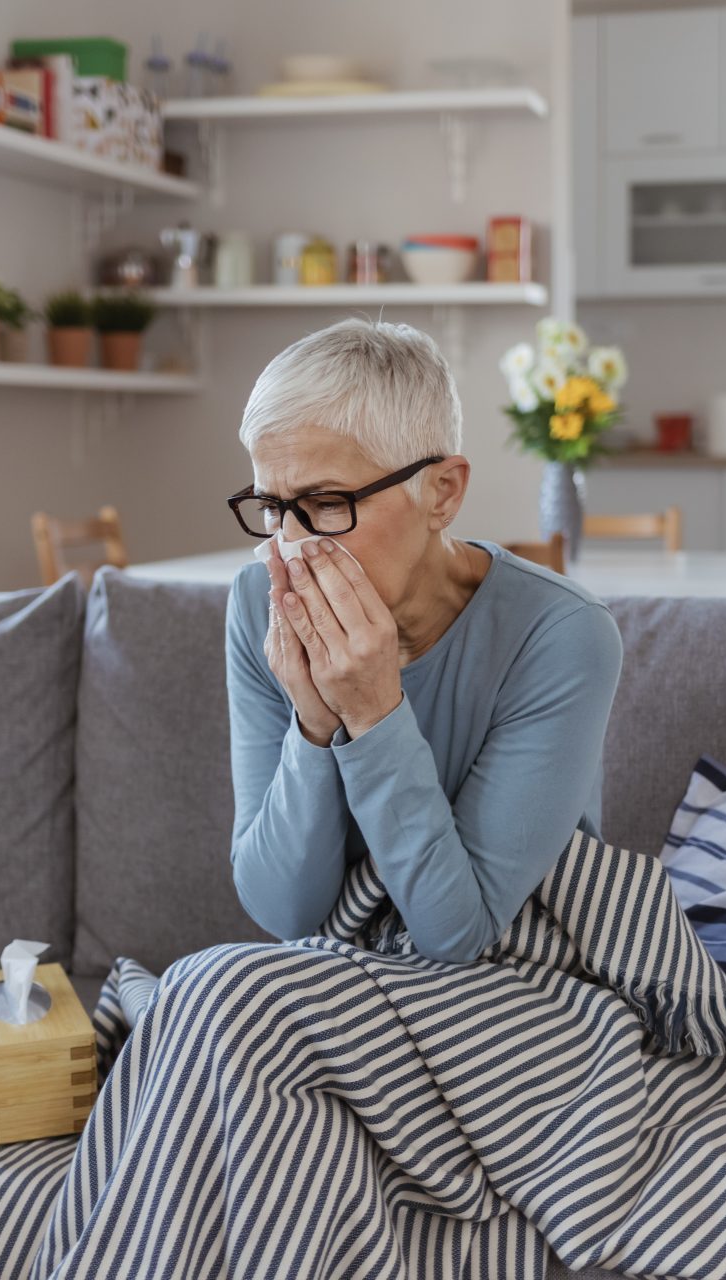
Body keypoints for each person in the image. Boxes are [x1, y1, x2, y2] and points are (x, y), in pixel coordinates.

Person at [225, 318, 623, 963]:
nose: (291, 546)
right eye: (272, 508)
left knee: (215, 993)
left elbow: (457, 935)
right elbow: (283, 913)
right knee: (208, 986)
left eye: (326, 503)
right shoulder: (258, 604)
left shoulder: (561, 634)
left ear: (442, 492)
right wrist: (314, 726)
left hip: (522, 970)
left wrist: (373, 711)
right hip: (339, 965)